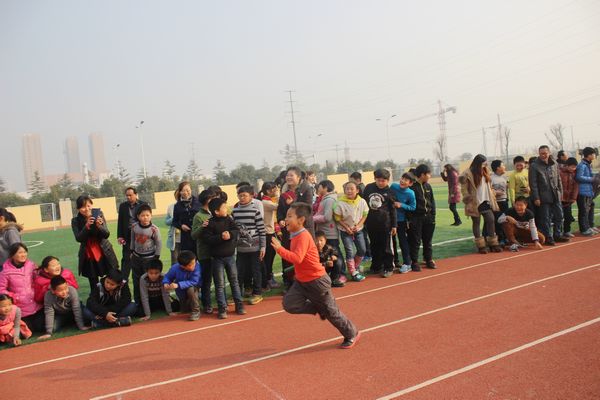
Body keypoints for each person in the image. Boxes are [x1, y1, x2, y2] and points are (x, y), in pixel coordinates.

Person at [272, 202, 360, 349]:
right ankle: (318, 308)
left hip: (317, 281)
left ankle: (352, 333)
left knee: (332, 312)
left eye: (289, 216)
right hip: (302, 281)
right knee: (289, 304)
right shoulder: (294, 234)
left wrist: (280, 249)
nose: (286, 219)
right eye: (286, 216)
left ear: (301, 220)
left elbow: (297, 258)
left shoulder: (303, 236)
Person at [202, 198, 246, 319]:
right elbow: (207, 239)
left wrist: (230, 234)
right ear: (216, 211)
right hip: (217, 259)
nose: (227, 209)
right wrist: (221, 237)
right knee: (219, 284)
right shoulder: (209, 223)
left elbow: (236, 230)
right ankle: (222, 308)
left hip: (230, 257)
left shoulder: (229, 219)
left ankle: (239, 305)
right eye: (224, 207)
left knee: (234, 282)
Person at [277, 167, 315, 286]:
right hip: (288, 229)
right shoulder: (284, 191)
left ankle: (309, 280)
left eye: (291, 175)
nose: (288, 177)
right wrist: (281, 220)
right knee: (288, 255)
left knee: (305, 255)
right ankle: (289, 282)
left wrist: (293, 203)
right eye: (287, 175)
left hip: (304, 228)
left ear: (298, 177)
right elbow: (280, 210)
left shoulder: (306, 189)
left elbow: (307, 208)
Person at [71, 195, 119, 289]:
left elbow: (106, 234)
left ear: (92, 205)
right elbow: (79, 238)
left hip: (104, 251)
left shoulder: (99, 214)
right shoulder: (75, 221)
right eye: (83, 207)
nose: (86, 209)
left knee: (112, 277)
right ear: (78, 209)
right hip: (88, 253)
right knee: (94, 283)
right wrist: (87, 226)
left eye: (88, 205)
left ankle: (114, 296)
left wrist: (99, 226)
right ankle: (97, 296)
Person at [459, 155, 502, 254]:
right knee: (476, 222)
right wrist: (467, 197)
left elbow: (489, 184)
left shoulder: (486, 171)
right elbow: (464, 188)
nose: (485, 165)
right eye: (483, 163)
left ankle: (493, 243)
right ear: (478, 163)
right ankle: (481, 246)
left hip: (485, 200)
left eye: (486, 163)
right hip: (474, 201)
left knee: (491, 219)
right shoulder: (467, 173)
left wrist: (493, 193)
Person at [233, 185, 266, 305]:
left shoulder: (255, 211)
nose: (242, 198)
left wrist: (263, 247)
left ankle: (257, 293)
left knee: (256, 271)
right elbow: (233, 229)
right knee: (239, 272)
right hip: (240, 249)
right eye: (240, 195)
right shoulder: (234, 212)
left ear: (251, 196)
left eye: (245, 195)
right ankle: (237, 295)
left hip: (255, 249)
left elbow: (262, 231)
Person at [0, 243, 44, 332]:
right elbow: (1, 289)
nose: (23, 255)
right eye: (20, 252)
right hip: (21, 310)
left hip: (37, 306)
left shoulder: (31, 265)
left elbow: (38, 279)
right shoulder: (5, 272)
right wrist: (14, 296)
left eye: (25, 252)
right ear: (12, 255)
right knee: (26, 331)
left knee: (42, 327)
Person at [529, 145, 568, 245]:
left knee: (559, 215)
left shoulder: (554, 163)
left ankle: (557, 235)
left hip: (555, 194)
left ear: (549, 152)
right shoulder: (534, 166)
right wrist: (536, 197)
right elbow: (533, 183)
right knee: (545, 218)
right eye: (541, 153)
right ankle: (548, 237)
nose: (543, 155)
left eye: (545, 153)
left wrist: (561, 193)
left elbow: (558, 179)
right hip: (543, 196)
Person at [363, 169, 397, 277]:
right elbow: (363, 204)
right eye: (378, 180)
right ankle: (376, 267)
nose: (381, 183)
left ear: (388, 180)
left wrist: (394, 225)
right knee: (374, 246)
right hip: (371, 223)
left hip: (385, 224)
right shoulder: (369, 188)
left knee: (386, 247)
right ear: (375, 179)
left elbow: (393, 210)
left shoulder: (390, 192)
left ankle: (389, 267)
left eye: (383, 181)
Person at [334, 181, 368, 281]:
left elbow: (365, 215)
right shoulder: (340, 203)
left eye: (352, 189)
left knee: (362, 249)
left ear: (357, 190)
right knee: (350, 251)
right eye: (347, 189)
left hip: (358, 230)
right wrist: (347, 228)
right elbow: (337, 218)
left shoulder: (362, 201)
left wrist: (358, 225)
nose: (349, 191)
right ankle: (353, 272)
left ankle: (355, 267)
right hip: (345, 231)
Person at [313, 180, 346, 283]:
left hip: (329, 232)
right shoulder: (325, 199)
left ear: (325, 188)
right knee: (330, 254)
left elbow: (327, 217)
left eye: (319, 187)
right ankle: (334, 274)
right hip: (325, 232)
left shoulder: (330, 200)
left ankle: (342, 274)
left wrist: (312, 219)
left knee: (336, 254)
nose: (318, 189)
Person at [191, 189, 218, 314]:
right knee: (207, 280)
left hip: (218, 251)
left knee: (219, 279)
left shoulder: (216, 212)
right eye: (212, 198)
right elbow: (193, 235)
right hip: (205, 253)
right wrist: (202, 226)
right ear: (207, 200)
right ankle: (207, 304)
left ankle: (221, 301)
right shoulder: (199, 216)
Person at [129, 204, 162, 305]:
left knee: (148, 280)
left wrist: (156, 257)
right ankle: (138, 302)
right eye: (142, 215)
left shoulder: (154, 229)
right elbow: (132, 240)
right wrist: (131, 251)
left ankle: (150, 303)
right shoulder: (134, 227)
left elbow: (159, 243)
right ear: (138, 216)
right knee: (136, 280)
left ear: (151, 215)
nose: (145, 217)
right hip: (136, 257)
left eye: (147, 215)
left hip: (149, 259)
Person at [38, 275, 88, 340]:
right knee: (53, 328)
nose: (64, 292)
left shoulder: (72, 290)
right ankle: (69, 322)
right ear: (53, 290)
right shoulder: (48, 296)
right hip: (60, 315)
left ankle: (75, 322)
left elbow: (76, 309)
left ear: (67, 285)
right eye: (60, 290)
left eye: (65, 288)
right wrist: (48, 332)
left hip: (73, 311)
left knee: (87, 316)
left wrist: (81, 326)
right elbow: (49, 313)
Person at [408, 164, 437, 270]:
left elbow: (432, 201)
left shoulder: (428, 186)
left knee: (428, 241)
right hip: (416, 218)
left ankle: (428, 259)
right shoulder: (412, 187)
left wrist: (433, 215)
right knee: (416, 241)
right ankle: (414, 262)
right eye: (428, 174)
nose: (430, 176)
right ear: (422, 175)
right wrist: (410, 219)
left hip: (429, 218)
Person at [117, 187, 146, 284]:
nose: (128, 197)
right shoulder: (123, 206)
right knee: (126, 258)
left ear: (136, 195)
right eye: (127, 195)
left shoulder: (143, 205)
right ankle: (123, 279)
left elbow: (147, 220)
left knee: (140, 256)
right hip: (127, 235)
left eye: (130, 195)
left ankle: (142, 277)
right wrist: (119, 236)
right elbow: (120, 221)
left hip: (140, 235)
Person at [162, 250, 201, 321]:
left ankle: (196, 311)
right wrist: (166, 283)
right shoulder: (175, 268)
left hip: (194, 289)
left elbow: (194, 281)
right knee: (185, 310)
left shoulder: (197, 267)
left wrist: (178, 285)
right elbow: (167, 277)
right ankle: (187, 306)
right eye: (190, 265)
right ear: (182, 266)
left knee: (190, 289)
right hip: (181, 292)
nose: (194, 265)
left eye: (194, 262)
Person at [391, 173, 417, 273]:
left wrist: (401, 205)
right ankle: (392, 263)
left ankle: (407, 263)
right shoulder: (393, 186)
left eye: (406, 180)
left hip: (401, 221)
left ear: (410, 183)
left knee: (403, 242)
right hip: (389, 220)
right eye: (402, 178)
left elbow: (413, 207)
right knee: (390, 242)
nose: (402, 181)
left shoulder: (411, 193)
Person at [257, 182, 280, 289]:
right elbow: (280, 206)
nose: (276, 190)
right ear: (268, 191)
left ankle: (268, 279)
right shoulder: (266, 202)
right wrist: (279, 195)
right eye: (274, 189)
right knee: (268, 258)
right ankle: (267, 280)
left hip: (269, 232)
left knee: (269, 256)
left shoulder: (266, 201)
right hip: (267, 233)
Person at [172, 181, 201, 254]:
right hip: (186, 238)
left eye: (188, 190)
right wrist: (181, 226)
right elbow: (174, 221)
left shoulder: (198, 202)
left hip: (199, 235)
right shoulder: (177, 206)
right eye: (183, 190)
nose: (186, 192)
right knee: (188, 258)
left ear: (191, 190)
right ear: (180, 192)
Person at [576, 147, 598, 236]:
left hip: (588, 191)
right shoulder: (582, 165)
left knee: (588, 209)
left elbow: (588, 175)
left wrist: (595, 176)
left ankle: (588, 227)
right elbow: (578, 177)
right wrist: (592, 179)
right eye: (593, 154)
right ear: (589, 155)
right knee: (583, 211)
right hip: (582, 192)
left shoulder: (587, 164)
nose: (595, 156)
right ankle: (584, 229)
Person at [560, 157, 579, 238]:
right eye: (572, 167)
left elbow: (576, 186)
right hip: (560, 198)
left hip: (569, 199)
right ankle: (559, 232)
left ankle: (567, 231)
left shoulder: (575, 174)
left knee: (568, 216)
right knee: (559, 217)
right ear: (567, 165)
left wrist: (574, 197)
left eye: (575, 167)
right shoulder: (560, 172)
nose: (573, 169)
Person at [491, 160, 509, 243]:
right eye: (503, 165)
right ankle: (500, 238)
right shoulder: (491, 178)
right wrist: (496, 192)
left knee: (506, 220)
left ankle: (506, 237)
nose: (504, 167)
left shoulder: (505, 177)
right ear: (498, 168)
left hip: (505, 201)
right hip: (496, 203)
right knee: (498, 221)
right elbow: (489, 190)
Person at [165, 191, 181, 266]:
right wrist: (173, 218)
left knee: (186, 261)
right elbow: (166, 222)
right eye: (176, 195)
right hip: (175, 239)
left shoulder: (190, 206)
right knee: (175, 261)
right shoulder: (171, 207)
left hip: (186, 239)